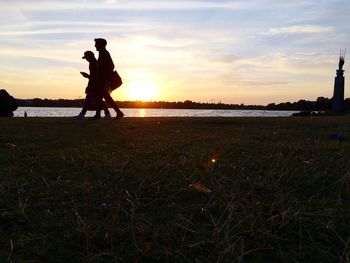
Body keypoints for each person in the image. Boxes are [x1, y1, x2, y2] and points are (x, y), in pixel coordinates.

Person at [91, 38, 124, 120]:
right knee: (102, 97)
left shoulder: (104, 53)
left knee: (102, 96)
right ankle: (117, 113)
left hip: (104, 80)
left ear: (100, 45)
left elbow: (111, 66)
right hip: (102, 79)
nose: (95, 45)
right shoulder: (102, 53)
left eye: (96, 44)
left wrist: (106, 80)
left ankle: (116, 113)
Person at [75, 51, 111, 120]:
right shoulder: (93, 63)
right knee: (98, 100)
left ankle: (82, 114)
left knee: (90, 99)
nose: (86, 59)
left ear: (90, 56)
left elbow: (95, 76)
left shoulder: (94, 63)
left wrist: (87, 76)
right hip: (94, 83)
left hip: (94, 84)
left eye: (86, 57)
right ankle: (107, 114)